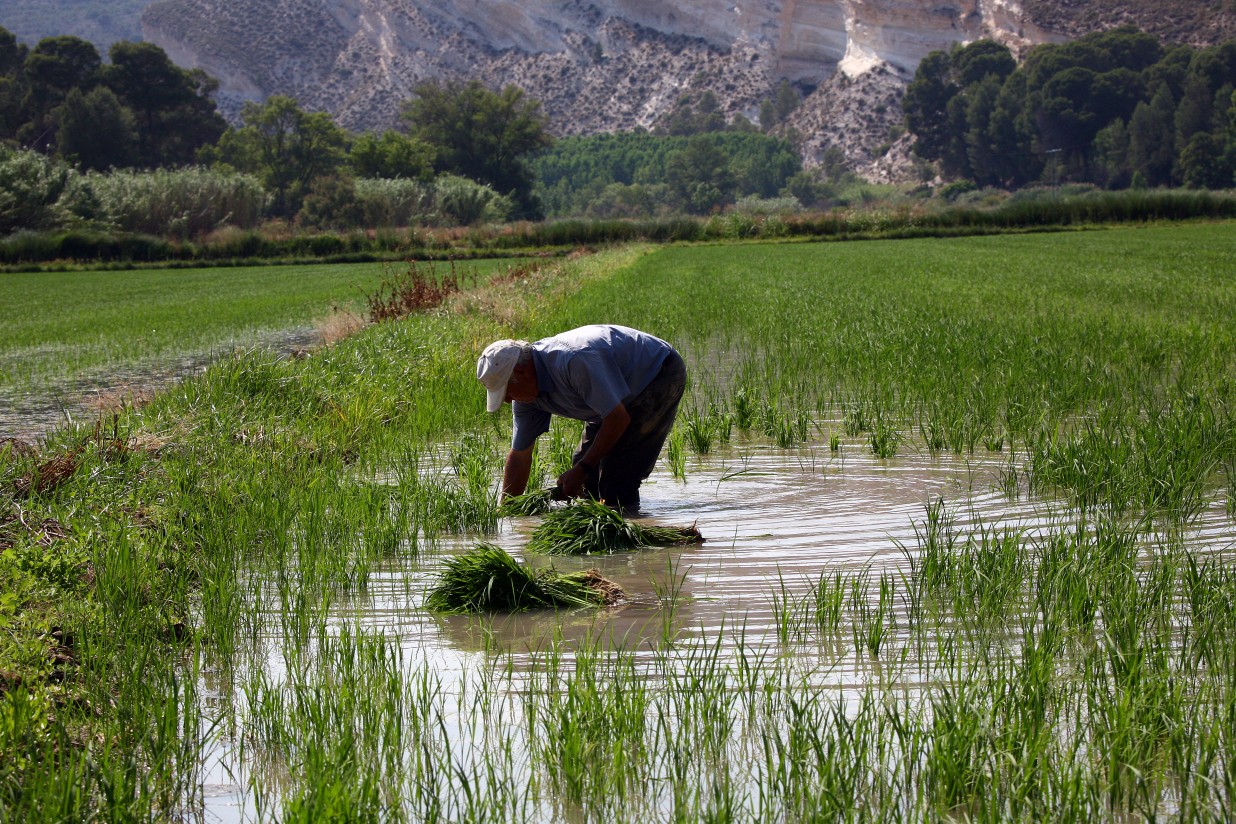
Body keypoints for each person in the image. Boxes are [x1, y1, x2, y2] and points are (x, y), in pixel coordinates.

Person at [477, 324, 686, 512]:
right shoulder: (525, 397)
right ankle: (602, 531)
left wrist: (582, 469)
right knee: (588, 478)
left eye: (507, 392)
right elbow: (520, 455)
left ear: (522, 372)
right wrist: (508, 510)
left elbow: (618, 419)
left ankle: (628, 536)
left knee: (617, 478)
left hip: (656, 373)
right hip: (611, 401)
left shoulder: (573, 362)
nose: (507, 401)